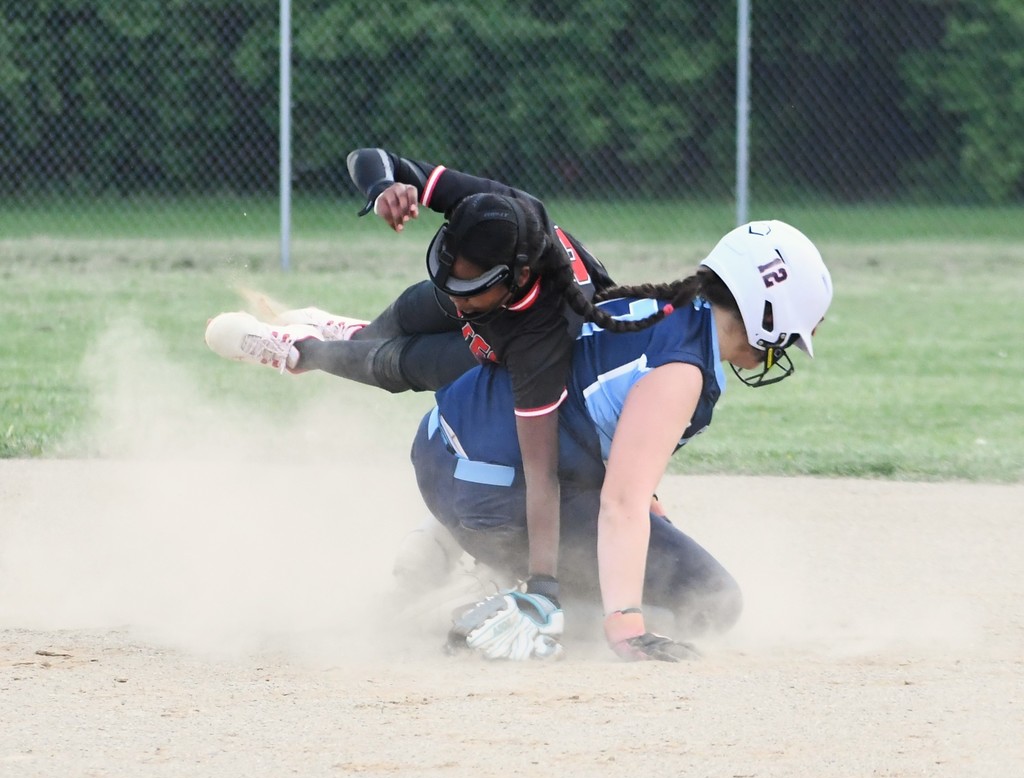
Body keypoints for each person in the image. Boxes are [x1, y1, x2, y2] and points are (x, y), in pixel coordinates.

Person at [206, 148, 690, 604]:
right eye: (448, 274)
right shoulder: (499, 214)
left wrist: (543, 585)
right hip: (494, 314)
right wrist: (383, 187)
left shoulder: (543, 337)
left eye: (469, 286)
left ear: (517, 276)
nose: (455, 294)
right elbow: (369, 157)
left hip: (500, 349)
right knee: (392, 325)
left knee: (395, 366)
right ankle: (348, 333)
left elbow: (542, 474)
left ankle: (299, 352)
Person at [411, 220, 834, 662]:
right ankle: (504, 611)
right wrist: (628, 629)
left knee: (656, 549)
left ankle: (444, 545)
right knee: (709, 600)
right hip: (490, 496)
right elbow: (619, 504)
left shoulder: (662, 307)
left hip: (443, 455)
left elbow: (600, 432)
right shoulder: (683, 369)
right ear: (768, 316)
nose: (781, 350)